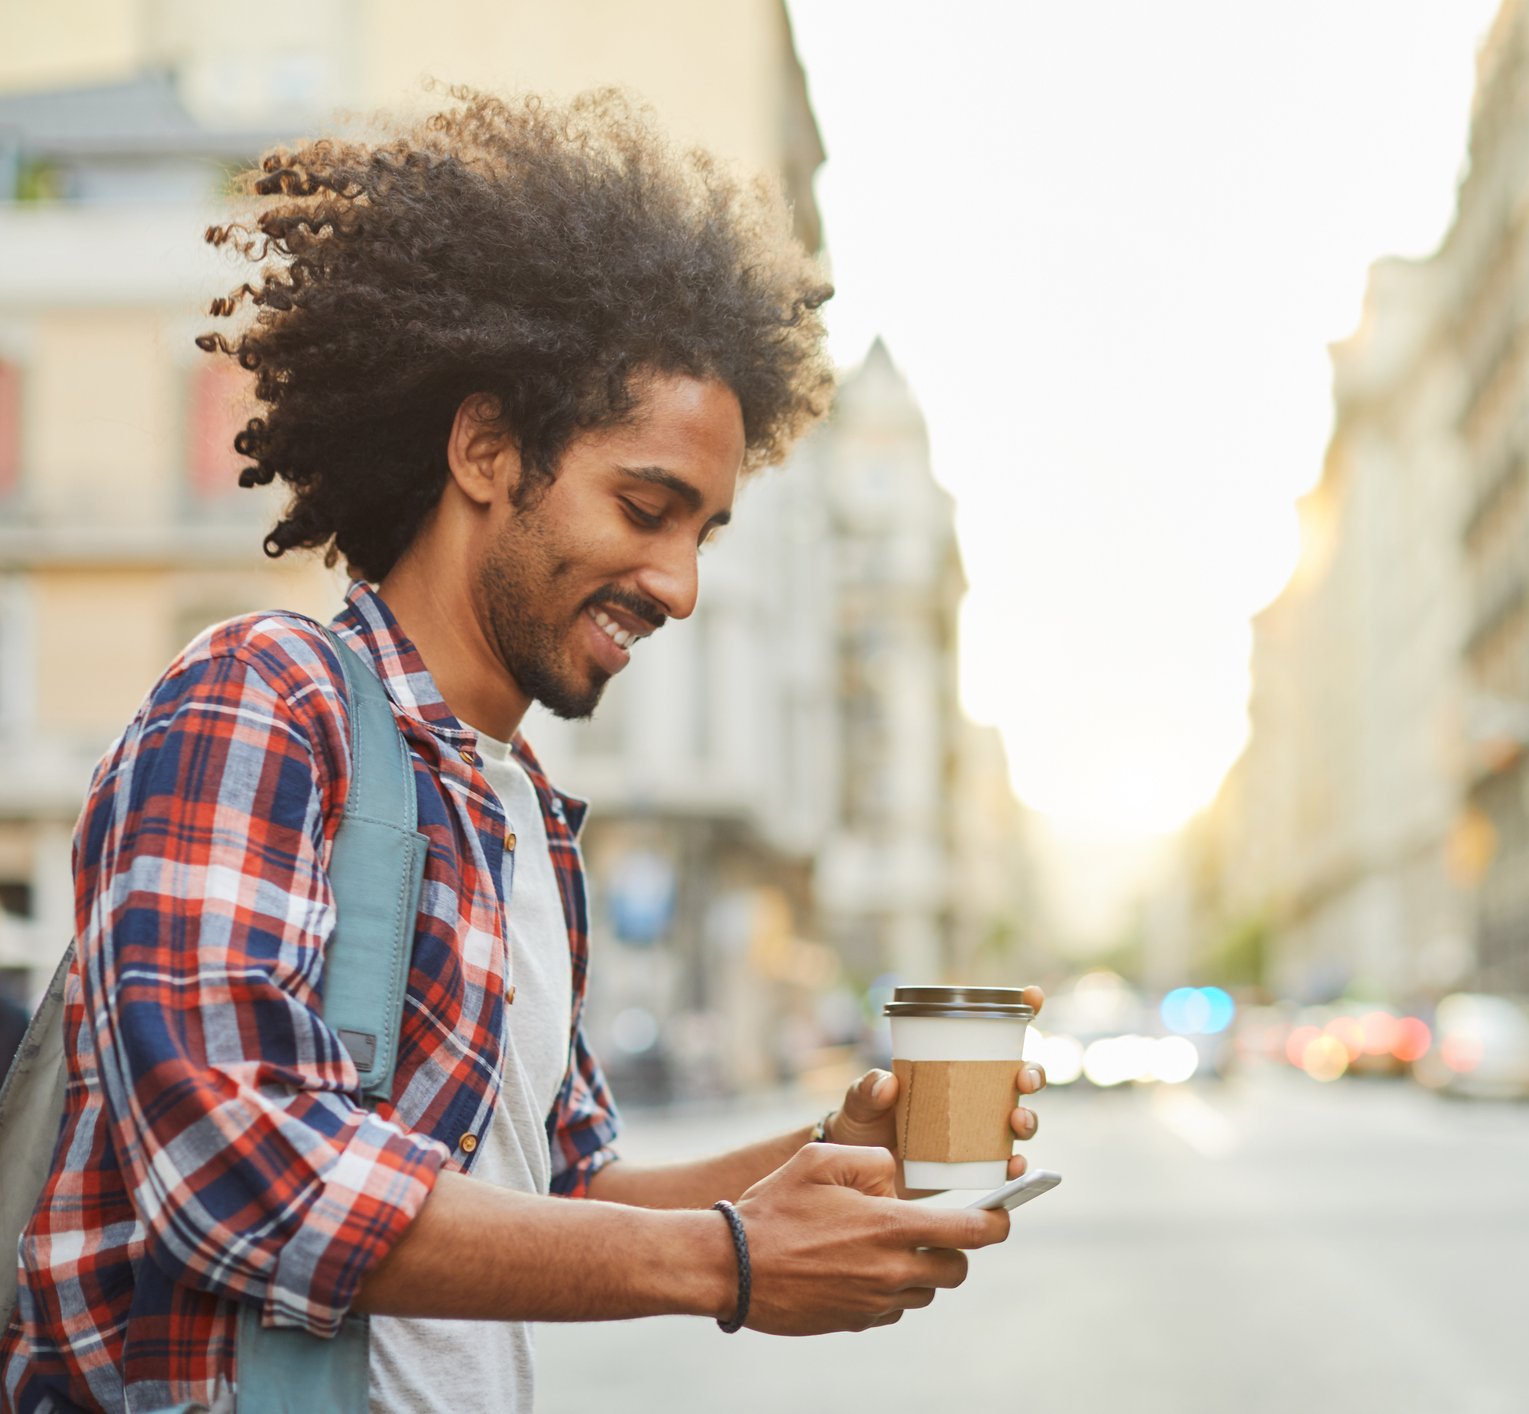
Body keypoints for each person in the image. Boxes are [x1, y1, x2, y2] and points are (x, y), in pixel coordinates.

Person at [0, 89, 1045, 1414]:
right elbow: (233, 1170)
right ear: (486, 447)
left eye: (704, 533)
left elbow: (550, 1197)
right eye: (645, 507)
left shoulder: (522, 818)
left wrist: (831, 1153)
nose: (677, 584)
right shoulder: (261, 698)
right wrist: (726, 1261)